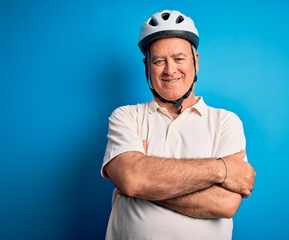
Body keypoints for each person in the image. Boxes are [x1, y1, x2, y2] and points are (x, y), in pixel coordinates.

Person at [101, 9, 256, 239]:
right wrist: (221, 169)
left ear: (196, 61)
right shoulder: (126, 117)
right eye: (159, 61)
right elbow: (132, 178)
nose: (170, 70)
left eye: (179, 58)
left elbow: (225, 204)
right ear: (147, 67)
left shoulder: (226, 122)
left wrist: (146, 182)